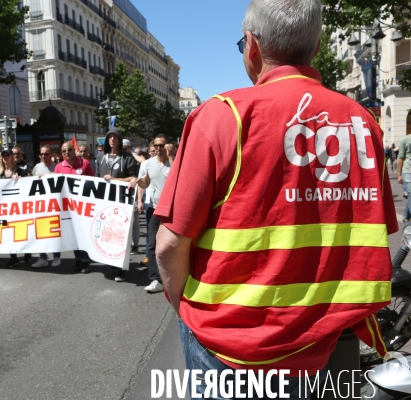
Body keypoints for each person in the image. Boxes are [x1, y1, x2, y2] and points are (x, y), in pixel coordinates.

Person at [154, 0, 398, 396]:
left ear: (251, 45)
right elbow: (371, 232)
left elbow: (168, 247)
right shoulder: (361, 122)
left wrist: (186, 309)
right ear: (317, 46)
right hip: (318, 341)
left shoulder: (221, 115)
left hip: (229, 348)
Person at [95, 128, 139, 282]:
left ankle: (120, 268)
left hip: (122, 204)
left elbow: (134, 178)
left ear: (120, 140)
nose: (112, 139)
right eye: (110, 137)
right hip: (105, 204)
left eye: (115, 137)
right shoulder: (100, 157)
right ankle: (112, 263)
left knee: (121, 236)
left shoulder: (127, 158)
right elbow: (96, 179)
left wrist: (114, 180)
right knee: (108, 235)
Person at [133, 135, 170, 293]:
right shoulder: (147, 164)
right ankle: (156, 279)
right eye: (157, 145)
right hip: (154, 208)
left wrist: (172, 156)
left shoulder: (174, 162)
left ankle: (175, 277)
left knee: (171, 245)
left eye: (162, 145)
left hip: (172, 210)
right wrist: (137, 182)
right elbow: (145, 182)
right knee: (152, 244)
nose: (159, 148)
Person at [54, 141, 95, 273]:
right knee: (74, 234)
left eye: (69, 150)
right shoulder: (59, 167)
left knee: (84, 234)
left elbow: (93, 182)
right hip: (68, 207)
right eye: (64, 151)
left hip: (84, 206)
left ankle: (85, 260)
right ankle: (78, 259)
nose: (67, 152)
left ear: (74, 150)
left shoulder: (85, 164)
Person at [0, 148, 32, 267]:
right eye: (3, 155)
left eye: (8, 154)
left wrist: (20, 180)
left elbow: (27, 186)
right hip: (6, 207)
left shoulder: (19, 171)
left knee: (21, 229)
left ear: (12, 156)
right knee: (8, 232)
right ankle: (13, 257)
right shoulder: (0, 173)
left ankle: (27, 251)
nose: (6, 157)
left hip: (18, 206)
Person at [31, 145, 61, 268]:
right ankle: (42, 257)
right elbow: (30, 182)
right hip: (40, 204)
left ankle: (56, 257)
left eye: (46, 154)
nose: (44, 156)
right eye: (42, 154)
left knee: (54, 231)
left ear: (52, 155)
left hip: (54, 204)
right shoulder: (37, 167)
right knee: (40, 231)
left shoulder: (57, 167)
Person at [137, 142, 157, 268]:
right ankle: (148, 256)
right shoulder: (145, 164)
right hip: (148, 201)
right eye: (152, 151)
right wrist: (139, 201)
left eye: (155, 150)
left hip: (161, 202)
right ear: (148, 152)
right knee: (150, 231)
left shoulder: (165, 163)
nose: (154, 152)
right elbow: (140, 183)